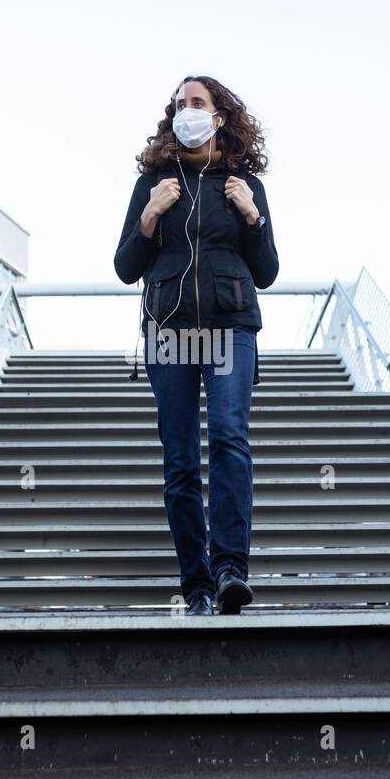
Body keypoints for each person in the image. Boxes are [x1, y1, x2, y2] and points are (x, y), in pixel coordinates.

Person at [113, 75, 279, 616]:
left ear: (219, 116)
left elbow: (269, 270)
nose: (188, 110)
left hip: (230, 326)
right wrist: (149, 216)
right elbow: (124, 267)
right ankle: (197, 584)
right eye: (181, 104)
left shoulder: (243, 182)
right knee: (181, 461)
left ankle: (230, 568)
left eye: (198, 103)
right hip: (169, 330)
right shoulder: (155, 182)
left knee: (230, 439)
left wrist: (251, 215)